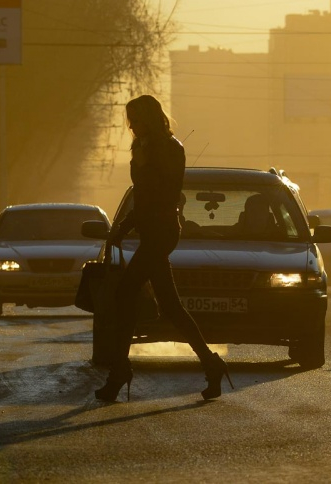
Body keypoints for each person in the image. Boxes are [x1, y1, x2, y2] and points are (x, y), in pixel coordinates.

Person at [96, 94, 233, 402]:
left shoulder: (170, 148)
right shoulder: (141, 147)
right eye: (130, 119)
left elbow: (164, 193)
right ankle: (211, 364)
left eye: (138, 118)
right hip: (149, 231)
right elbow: (141, 195)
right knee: (171, 306)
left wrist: (145, 166)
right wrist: (123, 227)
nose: (133, 125)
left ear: (151, 118)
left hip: (163, 232)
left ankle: (119, 371)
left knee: (123, 294)